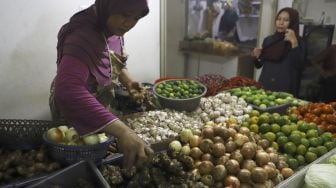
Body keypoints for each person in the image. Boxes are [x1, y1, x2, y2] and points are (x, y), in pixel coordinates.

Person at [49, 0, 154, 169]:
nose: (129, 24)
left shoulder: (112, 27)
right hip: (77, 105)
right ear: (109, 6)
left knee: (100, 155)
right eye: (125, 15)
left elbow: (107, 58)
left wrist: (128, 81)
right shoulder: (82, 34)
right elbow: (68, 90)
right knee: (78, 162)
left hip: (100, 100)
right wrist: (123, 131)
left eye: (136, 18)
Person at [251, 7, 305, 97]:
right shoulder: (269, 40)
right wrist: (255, 57)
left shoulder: (300, 41)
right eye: (278, 19)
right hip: (266, 83)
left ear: (293, 22)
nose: (281, 23)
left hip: (285, 87)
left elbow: (300, 65)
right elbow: (259, 65)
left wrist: (294, 42)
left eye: (286, 20)